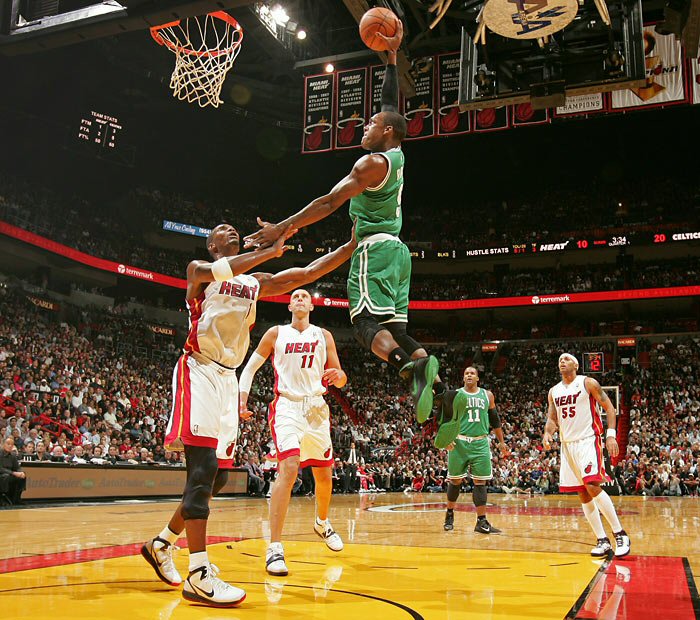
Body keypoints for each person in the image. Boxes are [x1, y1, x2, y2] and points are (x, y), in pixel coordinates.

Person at [243, 22, 455, 448]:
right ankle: (444, 394)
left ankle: (408, 368)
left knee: (362, 325)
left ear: (387, 133)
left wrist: (282, 229)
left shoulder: (370, 166)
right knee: (398, 329)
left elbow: (327, 202)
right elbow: (389, 104)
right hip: (399, 254)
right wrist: (391, 60)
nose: (365, 125)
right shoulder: (396, 154)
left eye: (371, 123)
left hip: (372, 249)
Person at [141, 222, 356, 607]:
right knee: (203, 467)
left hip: (228, 378)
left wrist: (352, 243)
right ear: (210, 244)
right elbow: (226, 270)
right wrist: (270, 251)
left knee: (220, 477)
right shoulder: (199, 271)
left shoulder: (255, 282)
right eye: (222, 230)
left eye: (234, 229)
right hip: (200, 369)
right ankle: (199, 573)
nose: (231, 230)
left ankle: (161, 544)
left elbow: (308, 273)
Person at [239, 288, 346, 576]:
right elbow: (250, 367)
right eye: (295, 296)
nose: (300, 299)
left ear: (311, 306)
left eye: (304, 297)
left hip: (316, 410)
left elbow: (340, 376)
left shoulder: (323, 336)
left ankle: (322, 523)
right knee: (288, 467)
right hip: (287, 406)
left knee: (324, 477)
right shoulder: (276, 333)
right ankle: (274, 547)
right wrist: (242, 396)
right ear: (289, 306)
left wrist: (339, 376)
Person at [543, 353, 631, 558]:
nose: (562, 361)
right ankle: (602, 540)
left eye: (566, 359)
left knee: (592, 485)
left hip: (588, 441)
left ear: (575, 364)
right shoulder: (553, 391)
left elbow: (609, 407)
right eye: (559, 360)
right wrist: (548, 433)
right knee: (582, 492)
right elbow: (552, 418)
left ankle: (620, 534)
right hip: (567, 445)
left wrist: (610, 435)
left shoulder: (588, 382)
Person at [442, 367, 509, 534]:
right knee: (455, 481)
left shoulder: (487, 395)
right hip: (459, 442)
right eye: (466, 373)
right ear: (463, 378)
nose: (469, 375)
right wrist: (446, 439)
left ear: (478, 377)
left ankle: (481, 521)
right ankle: (449, 513)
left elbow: (495, 419)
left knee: (480, 482)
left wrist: (501, 442)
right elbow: (446, 419)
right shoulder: (455, 395)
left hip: (480, 442)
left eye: (472, 373)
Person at [0, 437, 26, 505]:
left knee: (22, 476)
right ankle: (2, 498)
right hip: (2, 474)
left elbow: (17, 467)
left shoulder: (13, 456)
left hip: (10, 474)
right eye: (8, 444)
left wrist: (21, 472)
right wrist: (13, 473)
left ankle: (17, 498)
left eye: (12, 444)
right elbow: (1, 469)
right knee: (6, 477)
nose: (10, 446)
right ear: (3, 444)